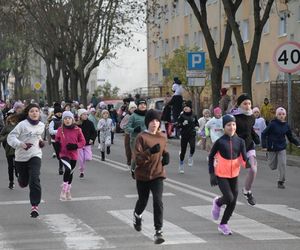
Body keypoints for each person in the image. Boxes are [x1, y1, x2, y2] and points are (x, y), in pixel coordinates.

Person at [133, 109, 169, 244]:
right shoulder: (141, 137)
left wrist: (166, 155)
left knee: (158, 201)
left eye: (157, 121)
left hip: (157, 174)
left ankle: (158, 231)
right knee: (143, 201)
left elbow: (164, 150)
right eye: (152, 121)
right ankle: (137, 215)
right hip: (143, 175)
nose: (155, 123)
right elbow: (137, 160)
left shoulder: (162, 137)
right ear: (147, 122)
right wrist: (150, 151)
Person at [209, 114, 249, 235]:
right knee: (228, 198)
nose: (231, 127)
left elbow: (243, 158)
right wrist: (212, 174)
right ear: (224, 127)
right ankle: (217, 203)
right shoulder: (220, 142)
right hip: (221, 174)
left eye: (233, 124)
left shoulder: (240, 141)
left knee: (233, 201)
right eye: (228, 125)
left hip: (234, 174)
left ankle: (223, 224)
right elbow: (211, 156)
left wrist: (249, 164)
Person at [7, 104, 45, 217]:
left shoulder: (42, 125)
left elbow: (37, 136)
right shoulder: (22, 125)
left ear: (39, 113)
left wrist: (41, 141)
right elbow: (11, 138)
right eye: (32, 111)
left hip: (35, 155)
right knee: (23, 183)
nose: (34, 113)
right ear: (28, 113)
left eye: (36, 111)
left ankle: (35, 206)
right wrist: (21, 144)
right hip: (21, 158)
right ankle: (21, 180)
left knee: (34, 178)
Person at [261, 107, 300, 189]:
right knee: (272, 166)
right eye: (279, 114)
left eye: (283, 114)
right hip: (272, 148)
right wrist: (264, 145)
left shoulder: (286, 125)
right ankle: (268, 155)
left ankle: (281, 181)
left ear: (285, 115)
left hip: (282, 147)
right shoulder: (272, 124)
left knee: (282, 164)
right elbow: (264, 134)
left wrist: (297, 143)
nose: (281, 116)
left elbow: (290, 137)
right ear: (276, 115)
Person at [233, 93, 260, 206]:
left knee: (253, 169)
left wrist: (255, 137)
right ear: (239, 105)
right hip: (236, 148)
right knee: (232, 173)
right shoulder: (234, 117)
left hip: (249, 146)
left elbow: (250, 130)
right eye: (245, 103)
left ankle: (247, 191)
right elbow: (229, 132)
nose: (248, 106)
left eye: (249, 103)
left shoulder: (252, 117)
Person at [55, 111, 86, 201]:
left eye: (69, 118)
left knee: (71, 172)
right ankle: (64, 190)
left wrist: (75, 146)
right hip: (64, 154)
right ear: (63, 120)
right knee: (67, 169)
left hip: (73, 154)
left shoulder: (77, 130)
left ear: (72, 119)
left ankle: (68, 190)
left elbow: (83, 142)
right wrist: (57, 151)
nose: (67, 120)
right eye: (65, 118)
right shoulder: (61, 130)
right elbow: (57, 140)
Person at [125, 99, 147, 178]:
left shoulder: (148, 115)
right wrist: (134, 129)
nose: (143, 106)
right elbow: (127, 127)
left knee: (146, 155)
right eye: (141, 104)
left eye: (144, 104)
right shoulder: (133, 116)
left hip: (146, 139)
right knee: (136, 156)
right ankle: (133, 169)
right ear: (138, 106)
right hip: (135, 139)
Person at [177, 100, 199, 173]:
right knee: (183, 151)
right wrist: (182, 124)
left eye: (187, 107)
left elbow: (197, 123)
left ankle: (190, 156)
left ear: (190, 108)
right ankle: (181, 164)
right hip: (184, 135)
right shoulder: (181, 116)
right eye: (184, 107)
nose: (185, 108)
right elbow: (177, 125)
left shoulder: (194, 115)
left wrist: (197, 127)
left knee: (193, 147)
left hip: (192, 134)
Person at [0, 114, 19, 189]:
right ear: (9, 119)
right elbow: (0, 136)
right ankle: (11, 182)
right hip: (8, 149)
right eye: (11, 118)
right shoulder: (6, 127)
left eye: (14, 117)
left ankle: (17, 172)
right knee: (10, 166)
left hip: (18, 148)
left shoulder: (19, 126)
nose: (12, 119)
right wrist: (6, 136)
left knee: (18, 164)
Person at [77, 109, 97, 178]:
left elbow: (94, 132)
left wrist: (92, 139)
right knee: (81, 159)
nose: (86, 116)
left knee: (88, 158)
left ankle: (82, 166)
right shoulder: (77, 124)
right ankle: (82, 171)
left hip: (87, 143)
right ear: (80, 116)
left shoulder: (90, 123)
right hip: (79, 144)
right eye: (84, 114)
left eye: (86, 114)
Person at [120, 101, 137, 166]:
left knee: (135, 149)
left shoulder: (137, 116)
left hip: (135, 135)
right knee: (128, 149)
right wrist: (127, 127)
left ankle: (134, 163)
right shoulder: (127, 116)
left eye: (134, 107)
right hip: (128, 134)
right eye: (132, 108)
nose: (133, 109)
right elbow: (121, 125)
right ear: (129, 109)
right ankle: (129, 162)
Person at [49, 105, 63, 175]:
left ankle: (61, 168)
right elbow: (51, 131)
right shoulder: (52, 121)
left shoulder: (63, 120)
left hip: (63, 140)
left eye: (60, 112)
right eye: (58, 112)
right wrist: (59, 131)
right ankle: (60, 161)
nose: (59, 114)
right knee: (58, 155)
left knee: (61, 154)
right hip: (55, 140)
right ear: (55, 113)